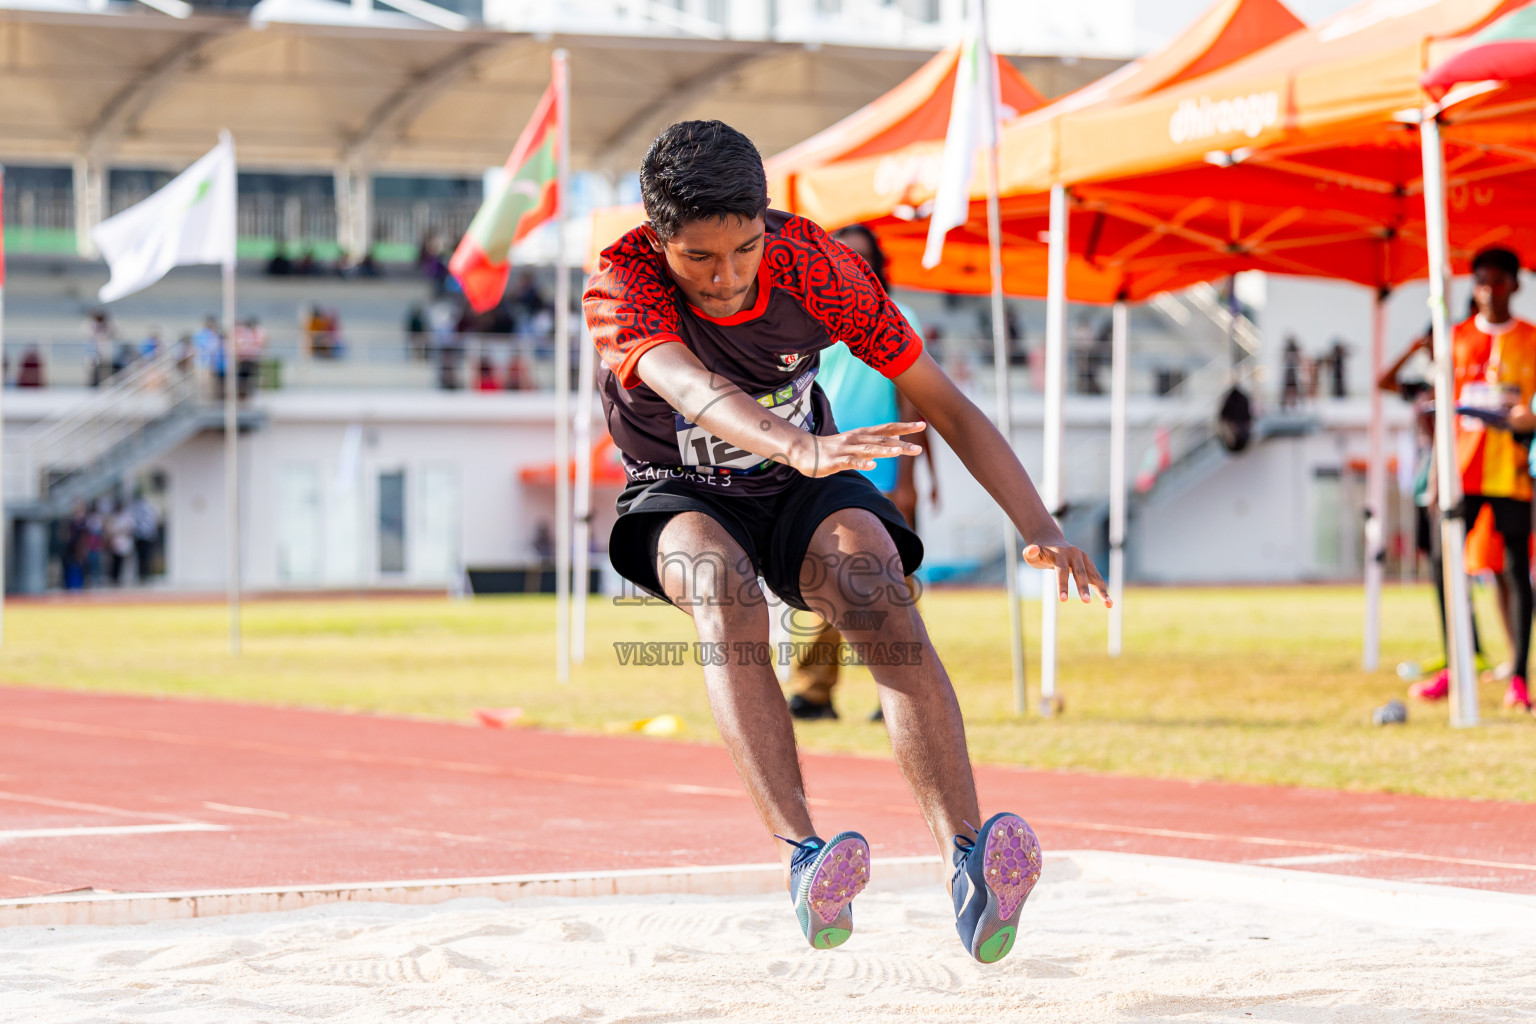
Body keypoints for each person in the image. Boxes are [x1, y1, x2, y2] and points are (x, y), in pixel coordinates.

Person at [584, 121, 1106, 963]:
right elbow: (688, 382)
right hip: (681, 491)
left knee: (873, 579)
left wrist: (1038, 526)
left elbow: (943, 401)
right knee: (720, 587)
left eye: (745, 250)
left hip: (802, 482)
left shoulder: (818, 267)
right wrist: (795, 441)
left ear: (767, 222)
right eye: (699, 260)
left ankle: (968, 861)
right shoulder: (620, 279)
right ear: (657, 239)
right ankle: (805, 858)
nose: (726, 280)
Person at [784, 223, 939, 723]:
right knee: (815, 580)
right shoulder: (801, 319)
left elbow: (915, 400)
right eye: (843, 256)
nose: (853, 266)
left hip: (887, 469)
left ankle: (898, 695)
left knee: (891, 584)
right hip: (819, 464)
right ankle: (813, 691)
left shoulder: (900, 316)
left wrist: (917, 478)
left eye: (863, 258)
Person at [1410, 248, 1536, 712]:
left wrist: (1525, 420)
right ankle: (1459, 659)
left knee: (1516, 570)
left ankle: (1519, 676)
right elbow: (1442, 409)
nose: (1487, 290)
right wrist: (1439, 477)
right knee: (1446, 568)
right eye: (1480, 281)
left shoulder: (1531, 339)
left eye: (1497, 281)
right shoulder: (1455, 338)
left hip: (1512, 472)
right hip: (1461, 471)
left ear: (1515, 285)